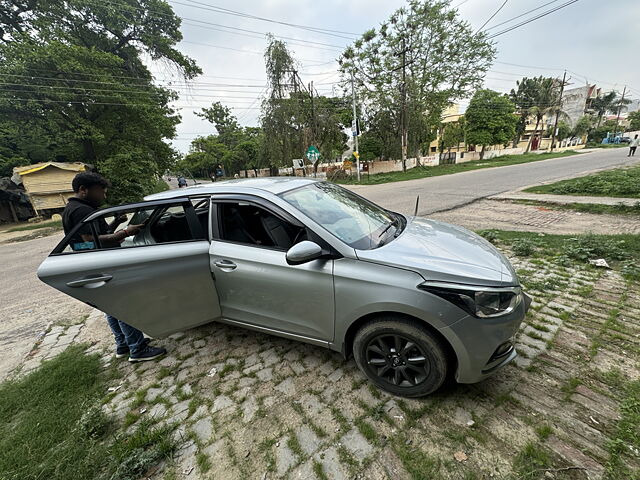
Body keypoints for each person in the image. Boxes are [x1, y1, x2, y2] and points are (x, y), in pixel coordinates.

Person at [62, 172, 167, 362]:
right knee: (123, 304)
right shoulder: (81, 211)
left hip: (93, 259)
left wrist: (117, 223)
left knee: (110, 305)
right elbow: (91, 240)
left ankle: (124, 344)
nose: (103, 196)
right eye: (100, 191)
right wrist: (126, 232)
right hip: (99, 260)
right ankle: (138, 349)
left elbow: (97, 234)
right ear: (83, 190)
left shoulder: (74, 208)